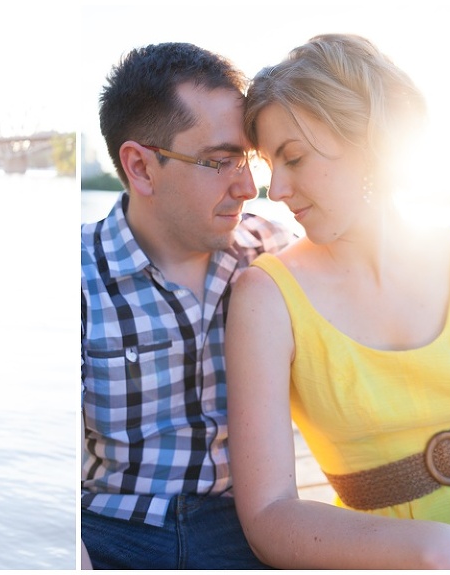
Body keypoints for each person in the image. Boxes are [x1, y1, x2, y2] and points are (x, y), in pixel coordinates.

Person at [225, 33, 450, 570]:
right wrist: (435, 551)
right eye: (267, 164)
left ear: (370, 142)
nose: (275, 189)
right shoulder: (268, 296)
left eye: (295, 158)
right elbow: (267, 514)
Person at [80, 42, 295, 569]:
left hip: (251, 529)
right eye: (221, 161)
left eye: (247, 160)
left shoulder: (274, 255)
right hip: (110, 533)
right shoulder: (75, 280)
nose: (248, 187)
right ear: (141, 168)